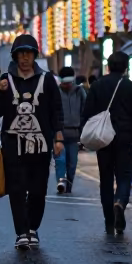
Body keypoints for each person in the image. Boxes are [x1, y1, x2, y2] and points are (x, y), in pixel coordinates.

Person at [0, 35, 63, 250]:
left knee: (39, 189)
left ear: (34, 56)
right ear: (15, 56)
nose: (24, 58)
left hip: (40, 143)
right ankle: (21, 232)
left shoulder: (47, 79)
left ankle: (33, 226)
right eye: (21, 54)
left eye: (28, 53)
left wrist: (58, 137)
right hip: (13, 143)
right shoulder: (6, 79)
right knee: (17, 188)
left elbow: (56, 110)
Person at [82, 51, 132, 236]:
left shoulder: (97, 85)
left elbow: (87, 112)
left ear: (107, 66)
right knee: (125, 175)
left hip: (103, 138)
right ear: (126, 68)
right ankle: (120, 202)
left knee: (106, 179)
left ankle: (109, 220)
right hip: (125, 138)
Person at [54, 66, 86, 194]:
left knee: (72, 163)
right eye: (64, 82)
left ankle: (69, 185)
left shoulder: (80, 91)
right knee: (60, 160)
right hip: (59, 133)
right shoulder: (55, 92)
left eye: (69, 82)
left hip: (75, 133)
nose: (67, 85)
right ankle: (61, 182)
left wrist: (83, 131)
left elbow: (85, 111)